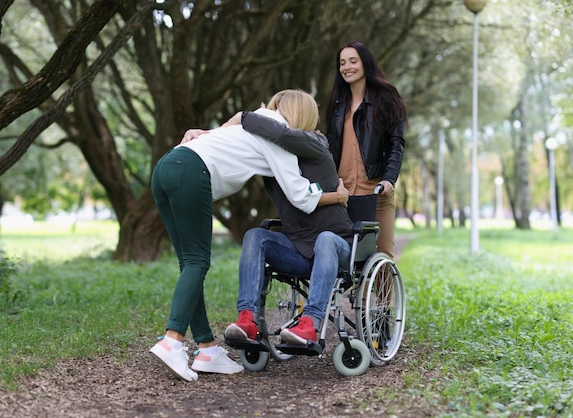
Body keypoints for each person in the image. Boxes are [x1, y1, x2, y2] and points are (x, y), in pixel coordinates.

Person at [150, 90, 349, 382]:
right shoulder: (277, 137)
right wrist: (338, 196)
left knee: (189, 265)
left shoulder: (255, 121)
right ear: (303, 116)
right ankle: (172, 341)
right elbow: (301, 198)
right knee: (196, 263)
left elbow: (240, 119)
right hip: (193, 173)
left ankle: (206, 349)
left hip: (167, 166)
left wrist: (207, 132)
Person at [224, 94, 353, 346]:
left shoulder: (316, 142)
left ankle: (311, 323)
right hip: (300, 250)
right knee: (255, 236)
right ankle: (247, 318)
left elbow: (282, 135)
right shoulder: (273, 156)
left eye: (279, 111)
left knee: (326, 239)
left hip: (337, 248)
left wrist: (244, 117)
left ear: (296, 113)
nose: (273, 117)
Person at [324, 41, 407, 260]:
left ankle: (383, 295)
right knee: (343, 259)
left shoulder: (387, 98)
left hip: (376, 192)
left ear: (365, 64)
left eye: (353, 61)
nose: (347, 67)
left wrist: (389, 179)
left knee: (381, 256)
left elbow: (396, 144)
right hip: (342, 194)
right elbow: (331, 145)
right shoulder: (337, 103)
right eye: (342, 63)